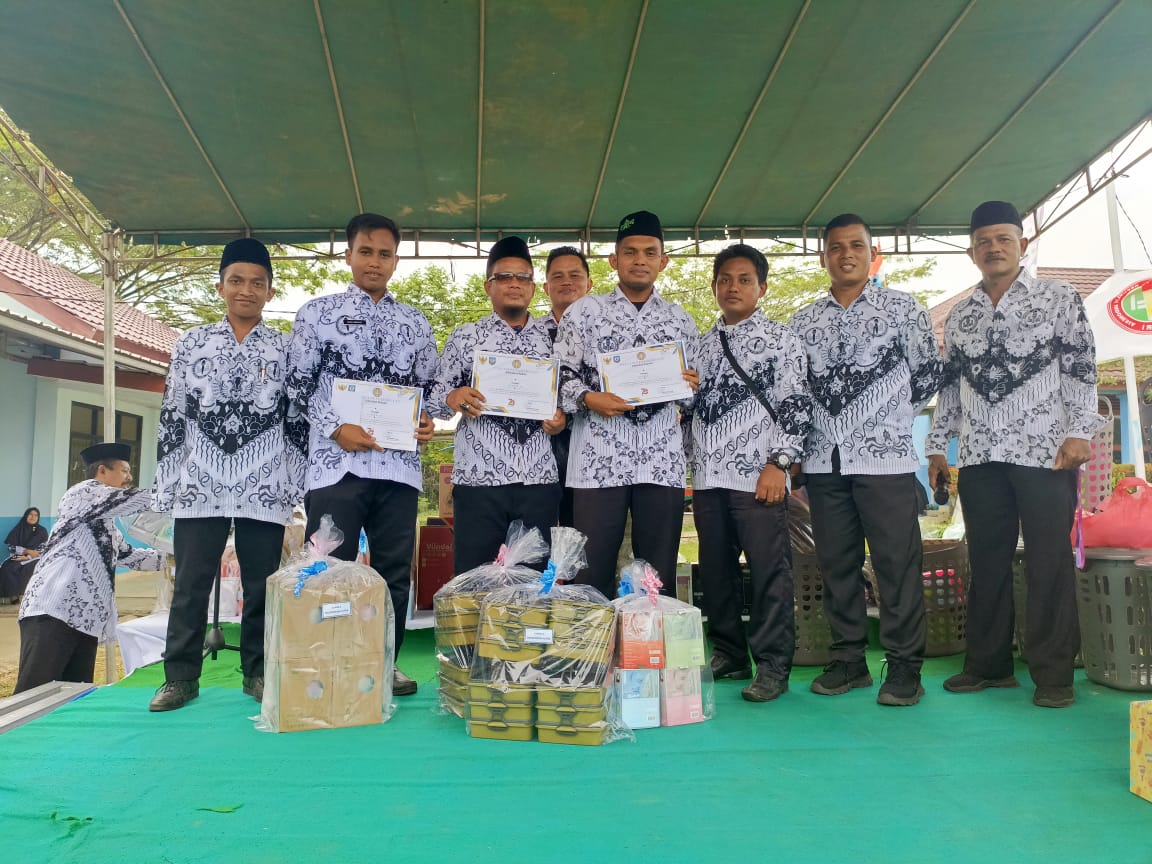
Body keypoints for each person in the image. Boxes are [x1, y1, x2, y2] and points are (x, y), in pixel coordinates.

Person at [926, 200, 1101, 709]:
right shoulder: (961, 315)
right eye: (983, 241)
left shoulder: (1058, 298)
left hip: (1047, 453)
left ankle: (1054, 675)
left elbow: (1081, 366)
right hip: (981, 456)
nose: (994, 248)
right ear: (971, 252)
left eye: (1003, 239)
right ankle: (989, 666)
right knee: (985, 559)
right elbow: (951, 387)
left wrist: (1080, 431)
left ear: (1022, 245)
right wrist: (937, 446)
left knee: (1048, 561)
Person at [791, 213, 942, 707]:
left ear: (872, 254)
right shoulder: (803, 321)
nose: (846, 254)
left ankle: (904, 667)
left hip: (886, 461)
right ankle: (849, 661)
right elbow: (796, 390)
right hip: (824, 462)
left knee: (896, 564)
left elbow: (927, 375)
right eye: (836, 247)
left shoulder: (903, 309)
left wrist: (882, 421)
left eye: (856, 245)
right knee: (836, 564)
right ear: (824, 257)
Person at [148, 238, 305, 712]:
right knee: (191, 583)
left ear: (270, 292)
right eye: (236, 281)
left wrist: (295, 485)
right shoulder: (192, 343)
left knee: (262, 586)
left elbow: (297, 420)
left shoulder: (285, 348)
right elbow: (173, 414)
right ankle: (180, 677)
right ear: (220, 287)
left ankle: (257, 672)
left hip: (265, 485)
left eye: (257, 283)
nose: (246, 290)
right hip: (201, 484)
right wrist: (168, 484)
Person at [285, 213, 437, 696]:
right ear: (348, 255)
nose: (375, 261)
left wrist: (428, 418)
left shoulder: (415, 321)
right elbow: (297, 383)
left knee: (394, 573)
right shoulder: (316, 313)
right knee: (330, 569)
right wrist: (336, 427)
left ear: (396, 260)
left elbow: (432, 388)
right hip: (336, 465)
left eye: (384, 254)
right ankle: (327, 665)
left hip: (398, 468)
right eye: (366, 252)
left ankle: (384, 663)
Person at [553, 210, 699, 597]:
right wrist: (589, 398)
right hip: (598, 460)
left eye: (650, 252)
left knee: (656, 574)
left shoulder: (680, 320)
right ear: (613, 260)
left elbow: (694, 392)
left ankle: (650, 639)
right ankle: (594, 640)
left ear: (663, 262)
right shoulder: (585, 312)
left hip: (660, 460)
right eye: (630, 252)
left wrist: (690, 384)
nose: (640, 260)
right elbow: (559, 374)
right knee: (591, 571)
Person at [691, 244, 812, 703]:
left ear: (762, 288)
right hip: (708, 478)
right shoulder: (700, 345)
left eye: (744, 280)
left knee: (768, 573)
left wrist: (778, 463)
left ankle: (773, 665)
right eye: (725, 279)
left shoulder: (782, 340)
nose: (733, 287)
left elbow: (796, 403)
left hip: (759, 477)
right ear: (714, 286)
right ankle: (729, 653)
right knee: (716, 572)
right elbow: (691, 408)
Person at [428, 236, 565, 573]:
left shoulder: (556, 339)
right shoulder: (466, 337)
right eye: (504, 277)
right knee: (476, 580)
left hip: (538, 479)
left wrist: (562, 419)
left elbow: (571, 399)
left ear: (534, 288)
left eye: (523, 277)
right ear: (488, 286)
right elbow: (434, 399)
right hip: (480, 480)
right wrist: (454, 397)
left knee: (531, 581)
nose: (514, 284)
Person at [15, 444, 162, 693]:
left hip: (86, 621)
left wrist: (180, 557)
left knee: (73, 695)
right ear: (102, 471)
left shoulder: (106, 523)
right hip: (53, 611)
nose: (129, 477)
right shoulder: (82, 494)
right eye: (124, 471)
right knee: (33, 695)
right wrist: (182, 493)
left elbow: (131, 556)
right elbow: (135, 500)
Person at [541, 246, 593, 527]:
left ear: (589, 284)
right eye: (557, 276)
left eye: (575, 275)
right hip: (537, 451)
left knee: (585, 538)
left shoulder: (606, 333)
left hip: (594, 449)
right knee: (538, 537)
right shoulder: (531, 334)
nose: (566, 282)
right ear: (545, 287)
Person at [0, 507, 48, 603]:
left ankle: (24, 596)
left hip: (35, 558)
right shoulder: (18, 529)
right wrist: (26, 551)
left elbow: (43, 548)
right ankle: (12, 596)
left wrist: (28, 556)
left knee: (28, 569)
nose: (33, 517)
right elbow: (11, 547)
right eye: (30, 514)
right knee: (7, 568)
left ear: (38, 517)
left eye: (36, 515)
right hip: (19, 555)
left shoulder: (42, 531)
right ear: (26, 516)